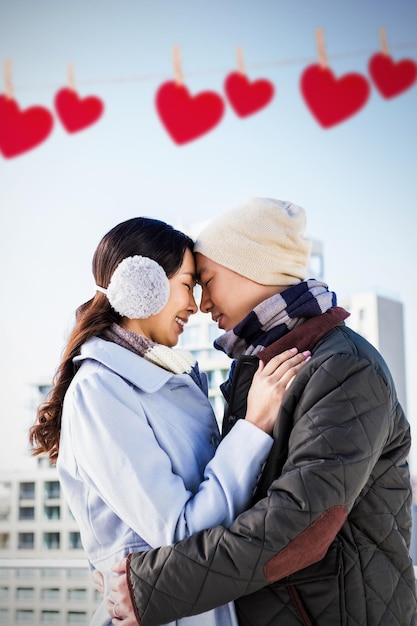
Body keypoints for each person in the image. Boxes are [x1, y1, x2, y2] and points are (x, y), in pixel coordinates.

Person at [107, 198, 417, 626]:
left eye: (208, 279)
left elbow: (300, 523)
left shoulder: (346, 368)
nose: (202, 303)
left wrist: (154, 586)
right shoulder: (255, 369)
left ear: (251, 268)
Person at [28, 215, 309, 626]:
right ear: (144, 285)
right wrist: (254, 426)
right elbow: (180, 531)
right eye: (187, 285)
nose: (195, 305)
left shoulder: (169, 379)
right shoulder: (99, 391)